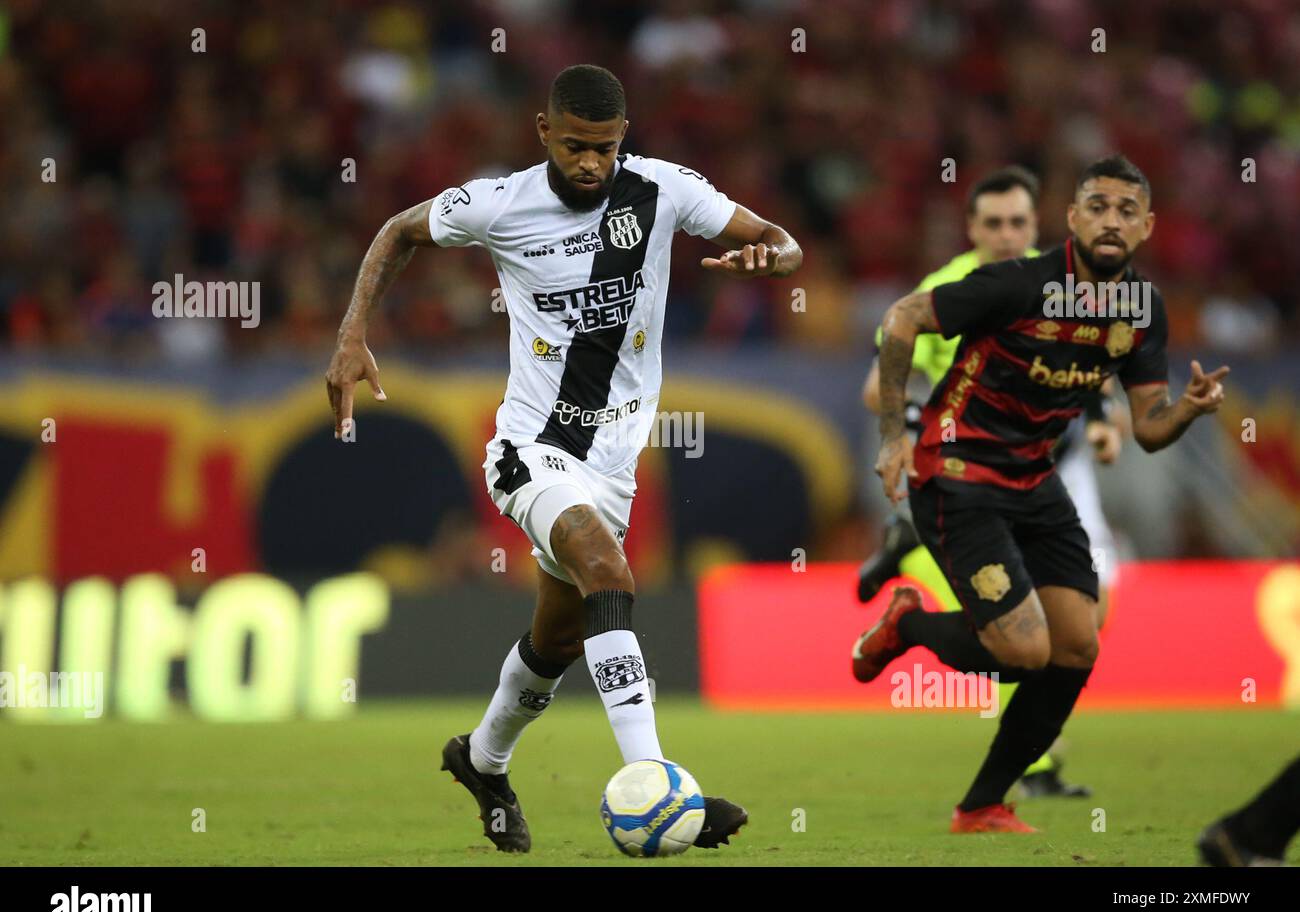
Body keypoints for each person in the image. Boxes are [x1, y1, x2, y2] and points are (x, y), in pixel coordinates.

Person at [324, 64, 802, 852]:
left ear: (625, 139)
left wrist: (771, 261)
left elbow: (779, 242)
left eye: (605, 149)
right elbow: (397, 231)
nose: (590, 164)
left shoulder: (664, 190)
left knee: (557, 642)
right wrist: (351, 336)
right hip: (531, 452)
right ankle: (657, 784)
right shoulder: (500, 203)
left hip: (613, 466)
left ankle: (481, 761)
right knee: (610, 575)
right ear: (544, 132)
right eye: (575, 146)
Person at [856, 154, 1228, 833]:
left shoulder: (1140, 309)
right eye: (1097, 207)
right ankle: (906, 623)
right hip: (958, 472)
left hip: (1034, 478)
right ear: (1071, 219)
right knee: (1023, 653)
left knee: (1078, 647)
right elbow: (904, 316)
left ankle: (981, 807)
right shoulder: (1017, 283)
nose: (1110, 221)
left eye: (1126, 211)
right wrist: (890, 438)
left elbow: (1147, 427)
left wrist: (1188, 411)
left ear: (1146, 227)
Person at [857, 166, 1123, 798]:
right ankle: (1034, 767)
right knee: (1026, 633)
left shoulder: (1062, 282)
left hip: (1060, 465)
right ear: (971, 228)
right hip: (979, 475)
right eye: (993, 223)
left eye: (1018, 223)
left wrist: (1106, 419)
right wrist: (922, 431)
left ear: (1037, 226)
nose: (1007, 235)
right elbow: (878, 387)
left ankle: (906, 550)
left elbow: (1097, 360)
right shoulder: (949, 289)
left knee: (1090, 616)